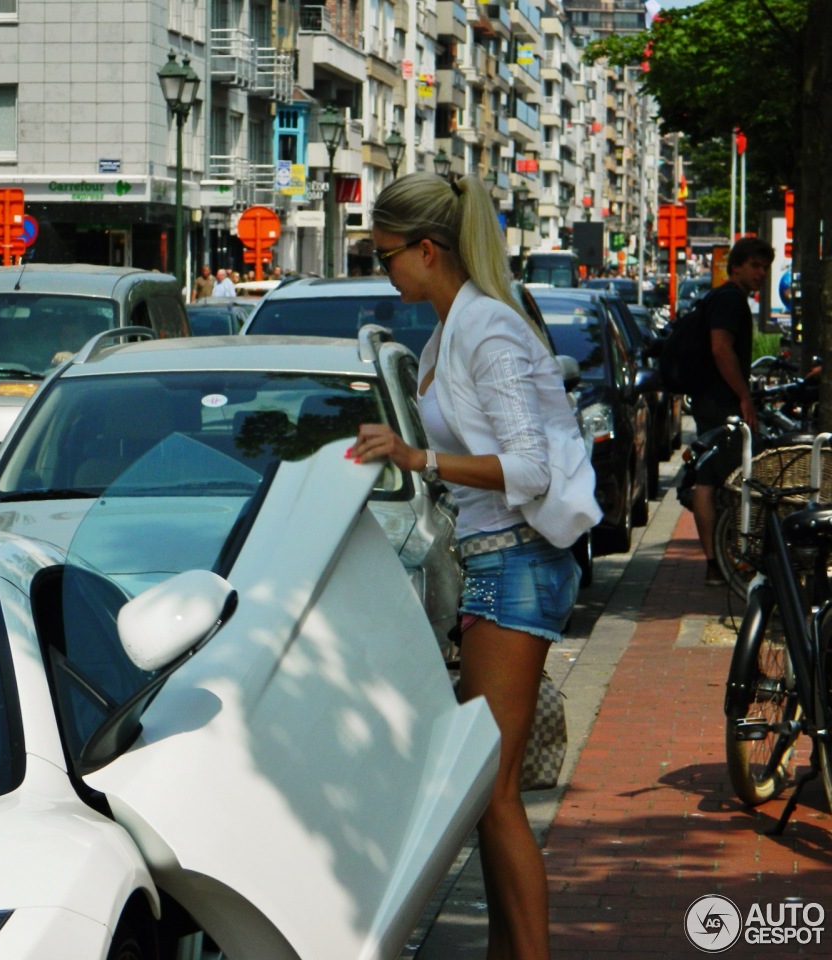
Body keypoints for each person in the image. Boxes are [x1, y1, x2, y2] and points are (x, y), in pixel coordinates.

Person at [347, 171, 590, 960]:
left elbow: (529, 471)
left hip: (516, 561)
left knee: (492, 790)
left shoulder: (486, 329)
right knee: (489, 789)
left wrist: (419, 455)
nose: (383, 270)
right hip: (498, 558)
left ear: (427, 248)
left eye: (385, 255)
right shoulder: (454, 328)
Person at [688, 236, 774, 584]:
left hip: (711, 400)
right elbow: (721, 348)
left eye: (765, 267)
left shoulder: (722, 297)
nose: (762, 273)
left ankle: (717, 562)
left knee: (711, 477)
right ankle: (725, 560)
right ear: (736, 266)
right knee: (732, 477)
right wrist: (744, 397)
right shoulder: (730, 300)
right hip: (721, 404)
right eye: (755, 265)